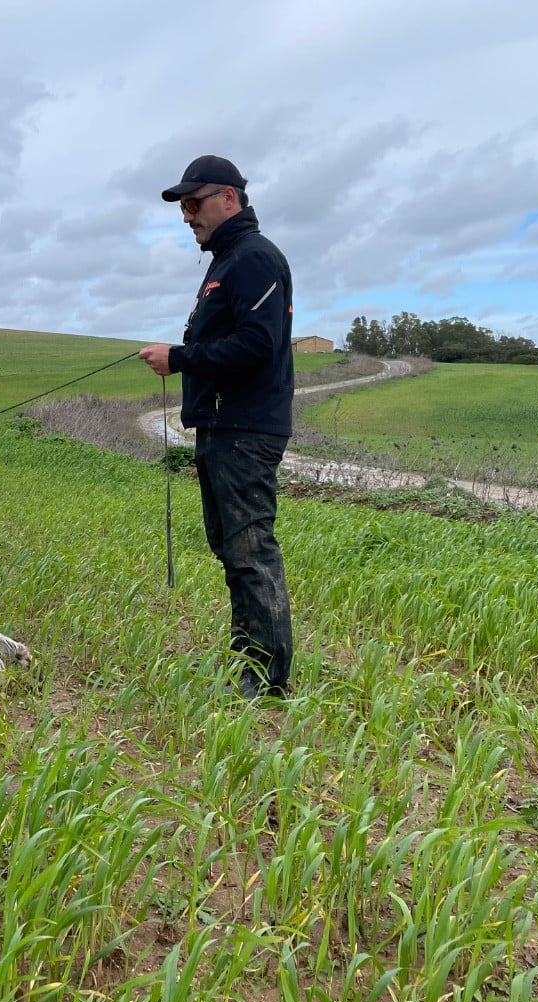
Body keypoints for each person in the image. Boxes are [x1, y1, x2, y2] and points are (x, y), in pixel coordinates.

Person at [138, 154, 295, 698]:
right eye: (182, 207)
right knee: (231, 547)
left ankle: (266, 679)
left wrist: (179, 359)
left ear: (228, 197)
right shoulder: (227, 260)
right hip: (223, 426)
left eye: (193, 203)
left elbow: (258, 344)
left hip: (246, 428)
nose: (187, 216)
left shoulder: (254, 257)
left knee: (250, 549)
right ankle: (247, 660)